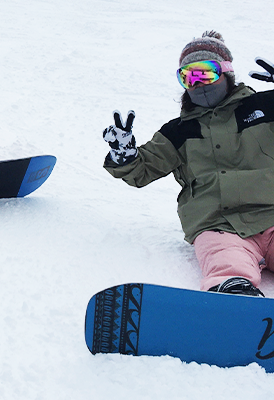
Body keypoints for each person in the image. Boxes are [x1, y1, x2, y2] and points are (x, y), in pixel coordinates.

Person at [102, 31, 274, 296]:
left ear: (226, 73)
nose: (199, 84)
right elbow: (142, 170)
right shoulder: (179, 131)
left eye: (206, 73)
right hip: (218, 224)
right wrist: (124, 155)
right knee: (225, 259)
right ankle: (236, 296)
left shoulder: (264, 108)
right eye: (189, 77)